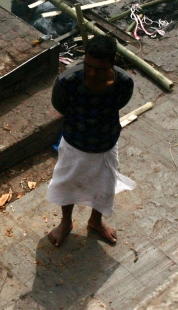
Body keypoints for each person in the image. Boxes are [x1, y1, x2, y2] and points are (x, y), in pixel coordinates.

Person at [46, 35, 135, 247]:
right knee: (67, 183)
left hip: (106, 144)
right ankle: (66, 222)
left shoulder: (124, 83)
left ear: (112, 63)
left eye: (100, 69)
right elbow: (60, 106)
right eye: (89, 66)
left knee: (104, 186)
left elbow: (120, 103)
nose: (93, 73)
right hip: (74, 143)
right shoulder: (68, 81)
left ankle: (96, 221)